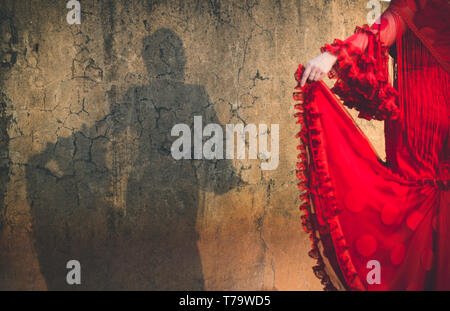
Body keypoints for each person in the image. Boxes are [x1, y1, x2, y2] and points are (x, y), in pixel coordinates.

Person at [296, 0, 449, 290]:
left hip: (422, 118)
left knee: (412, 208)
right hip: (430, 118)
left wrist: (334, 55)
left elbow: (385, 30)